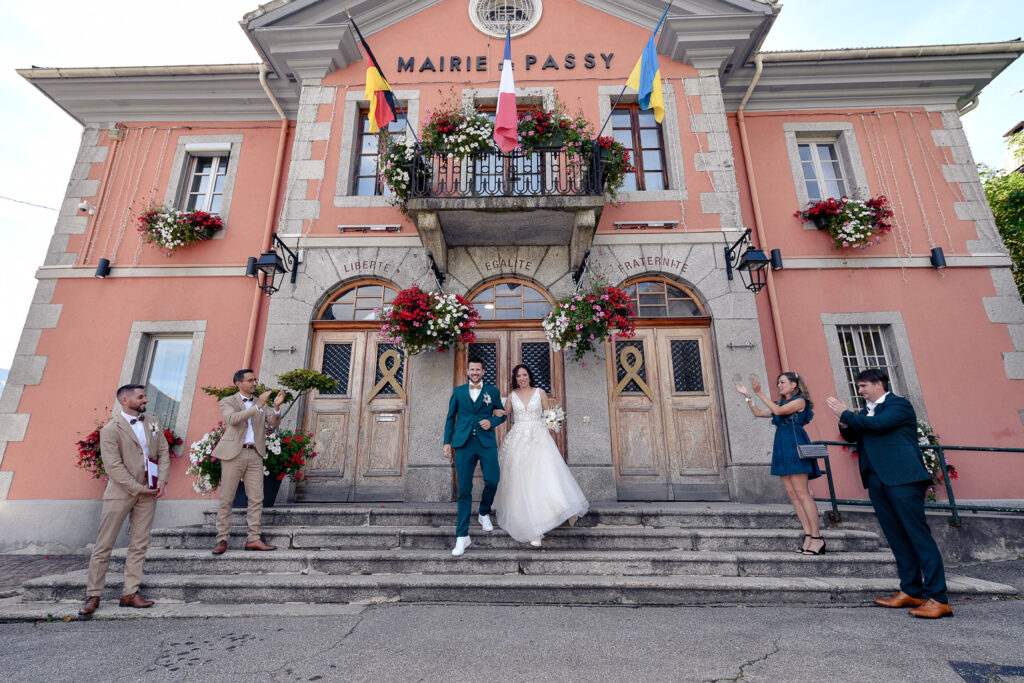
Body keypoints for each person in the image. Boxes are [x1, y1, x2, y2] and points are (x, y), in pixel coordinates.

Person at [826, 368, 952, 619]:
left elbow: (879, 425)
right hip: (877, 480)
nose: (860, 391)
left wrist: (847, 414)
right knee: (896, 537)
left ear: (879, 384)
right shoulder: (865, 412)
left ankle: (938, 598)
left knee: (918, 536)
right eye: (858, 387)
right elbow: (854, 434)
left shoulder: (899, 405)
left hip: (903, 478)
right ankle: (911, 590)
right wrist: (845, 421)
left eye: (863, 386)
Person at [78, 384, 170, 616]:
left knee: (139, 544)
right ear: (125, 400)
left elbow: (163, 451)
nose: (145, 400)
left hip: (149, 492)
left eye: (145, 396)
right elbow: (113, 467)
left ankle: (130, 593)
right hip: (121, 493)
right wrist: (138, 488)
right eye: (141, 397)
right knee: (104, 545)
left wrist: (162, 481)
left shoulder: (153, 422)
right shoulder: (110, 429)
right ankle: (93, 594)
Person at [492, 364, 588, 547]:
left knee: (544, 476)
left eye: (524, 374)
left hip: (539, 438)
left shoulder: (540, 392)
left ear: (529, 376)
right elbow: (505, 414)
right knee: (522, 480)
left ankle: (559, 510)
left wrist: (552, 422)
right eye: (518, 375)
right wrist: (495, 411)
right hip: (518, 439)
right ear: (515, 378)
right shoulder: (512, 396)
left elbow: (548, 413)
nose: (522, 378)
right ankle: (532, 526)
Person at [735, 372, 824, 555]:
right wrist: (747, 396)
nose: (779, 385)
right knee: (792, 494)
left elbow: (780, 412)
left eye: (782, 382)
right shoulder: (779, 403)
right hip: (782, 446)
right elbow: (759, 413)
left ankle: (817, 538)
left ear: (794, 385)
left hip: (795, 444)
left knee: (802, 492)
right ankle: (808, 535)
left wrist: (759, 393)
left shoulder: (800, 401)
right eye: (778, 383)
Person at [211, 369, 284, 555]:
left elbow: (273, 424)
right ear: (238, 383)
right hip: (233, 454)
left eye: (255, 380)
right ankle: (221, 539)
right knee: (227, 498)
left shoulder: (259, 402)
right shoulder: (229, 401)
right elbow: (232, 419)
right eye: (250, 380)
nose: (254, 383)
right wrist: (257, 407)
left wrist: (275, 408)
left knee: (257, 498)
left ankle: (253, 538)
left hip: (255, 453)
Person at [443, 356, 507, 557]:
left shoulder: (492, 391)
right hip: (463, 444)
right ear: (468, 371)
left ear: (483, 371)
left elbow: (503, 414)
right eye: (472, 369)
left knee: (493, 480)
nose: (475, 372)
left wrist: (492, 422)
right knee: (464, 489)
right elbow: (450, 417)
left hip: (486, 442)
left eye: (478, 370)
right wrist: (447, 442)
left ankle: (484, 511)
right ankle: (462, 536)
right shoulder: (458, 391)